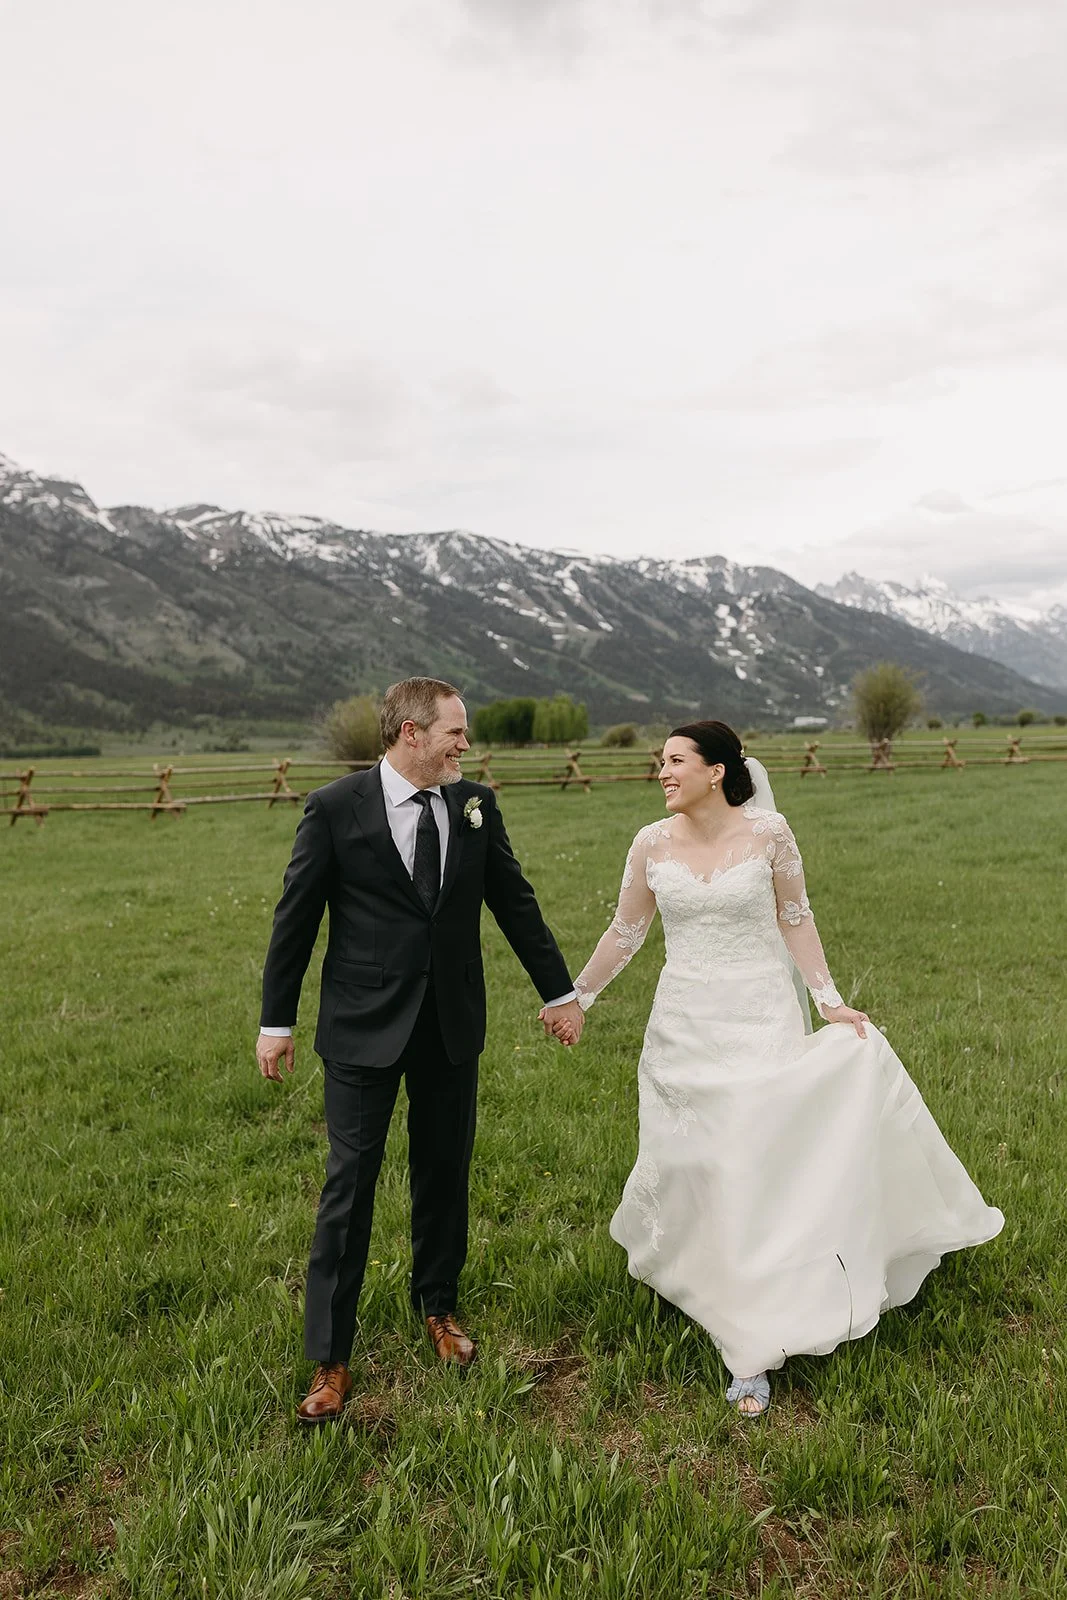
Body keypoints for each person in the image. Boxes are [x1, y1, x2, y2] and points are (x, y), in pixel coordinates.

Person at [547, 720, 1003, 1418]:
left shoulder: (769, 835)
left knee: (751, 1158)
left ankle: (750, 1340)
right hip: (683, 1024)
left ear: (716, 772)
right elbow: (626, 931)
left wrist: (828, 1002)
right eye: (659, 762)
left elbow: (795, 917)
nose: (661, 772)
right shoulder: (649, 843)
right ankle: (702, 1271)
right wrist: (577, 997)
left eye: (674, 761)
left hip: (759, 1014)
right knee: (698, 1162)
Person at [257, 677, 583, 1423]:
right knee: (350, 1189)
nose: (464, 746)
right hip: (361, 1027)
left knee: (443, 1174)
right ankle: (331, 1358)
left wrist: (558, 992)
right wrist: (276, 1021)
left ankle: (439, 1309)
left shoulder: (474, 805)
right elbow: (295, 920)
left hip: (449, 1025)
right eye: (454, 733)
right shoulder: (337, 809)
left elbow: (515, 900)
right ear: (411, 732)